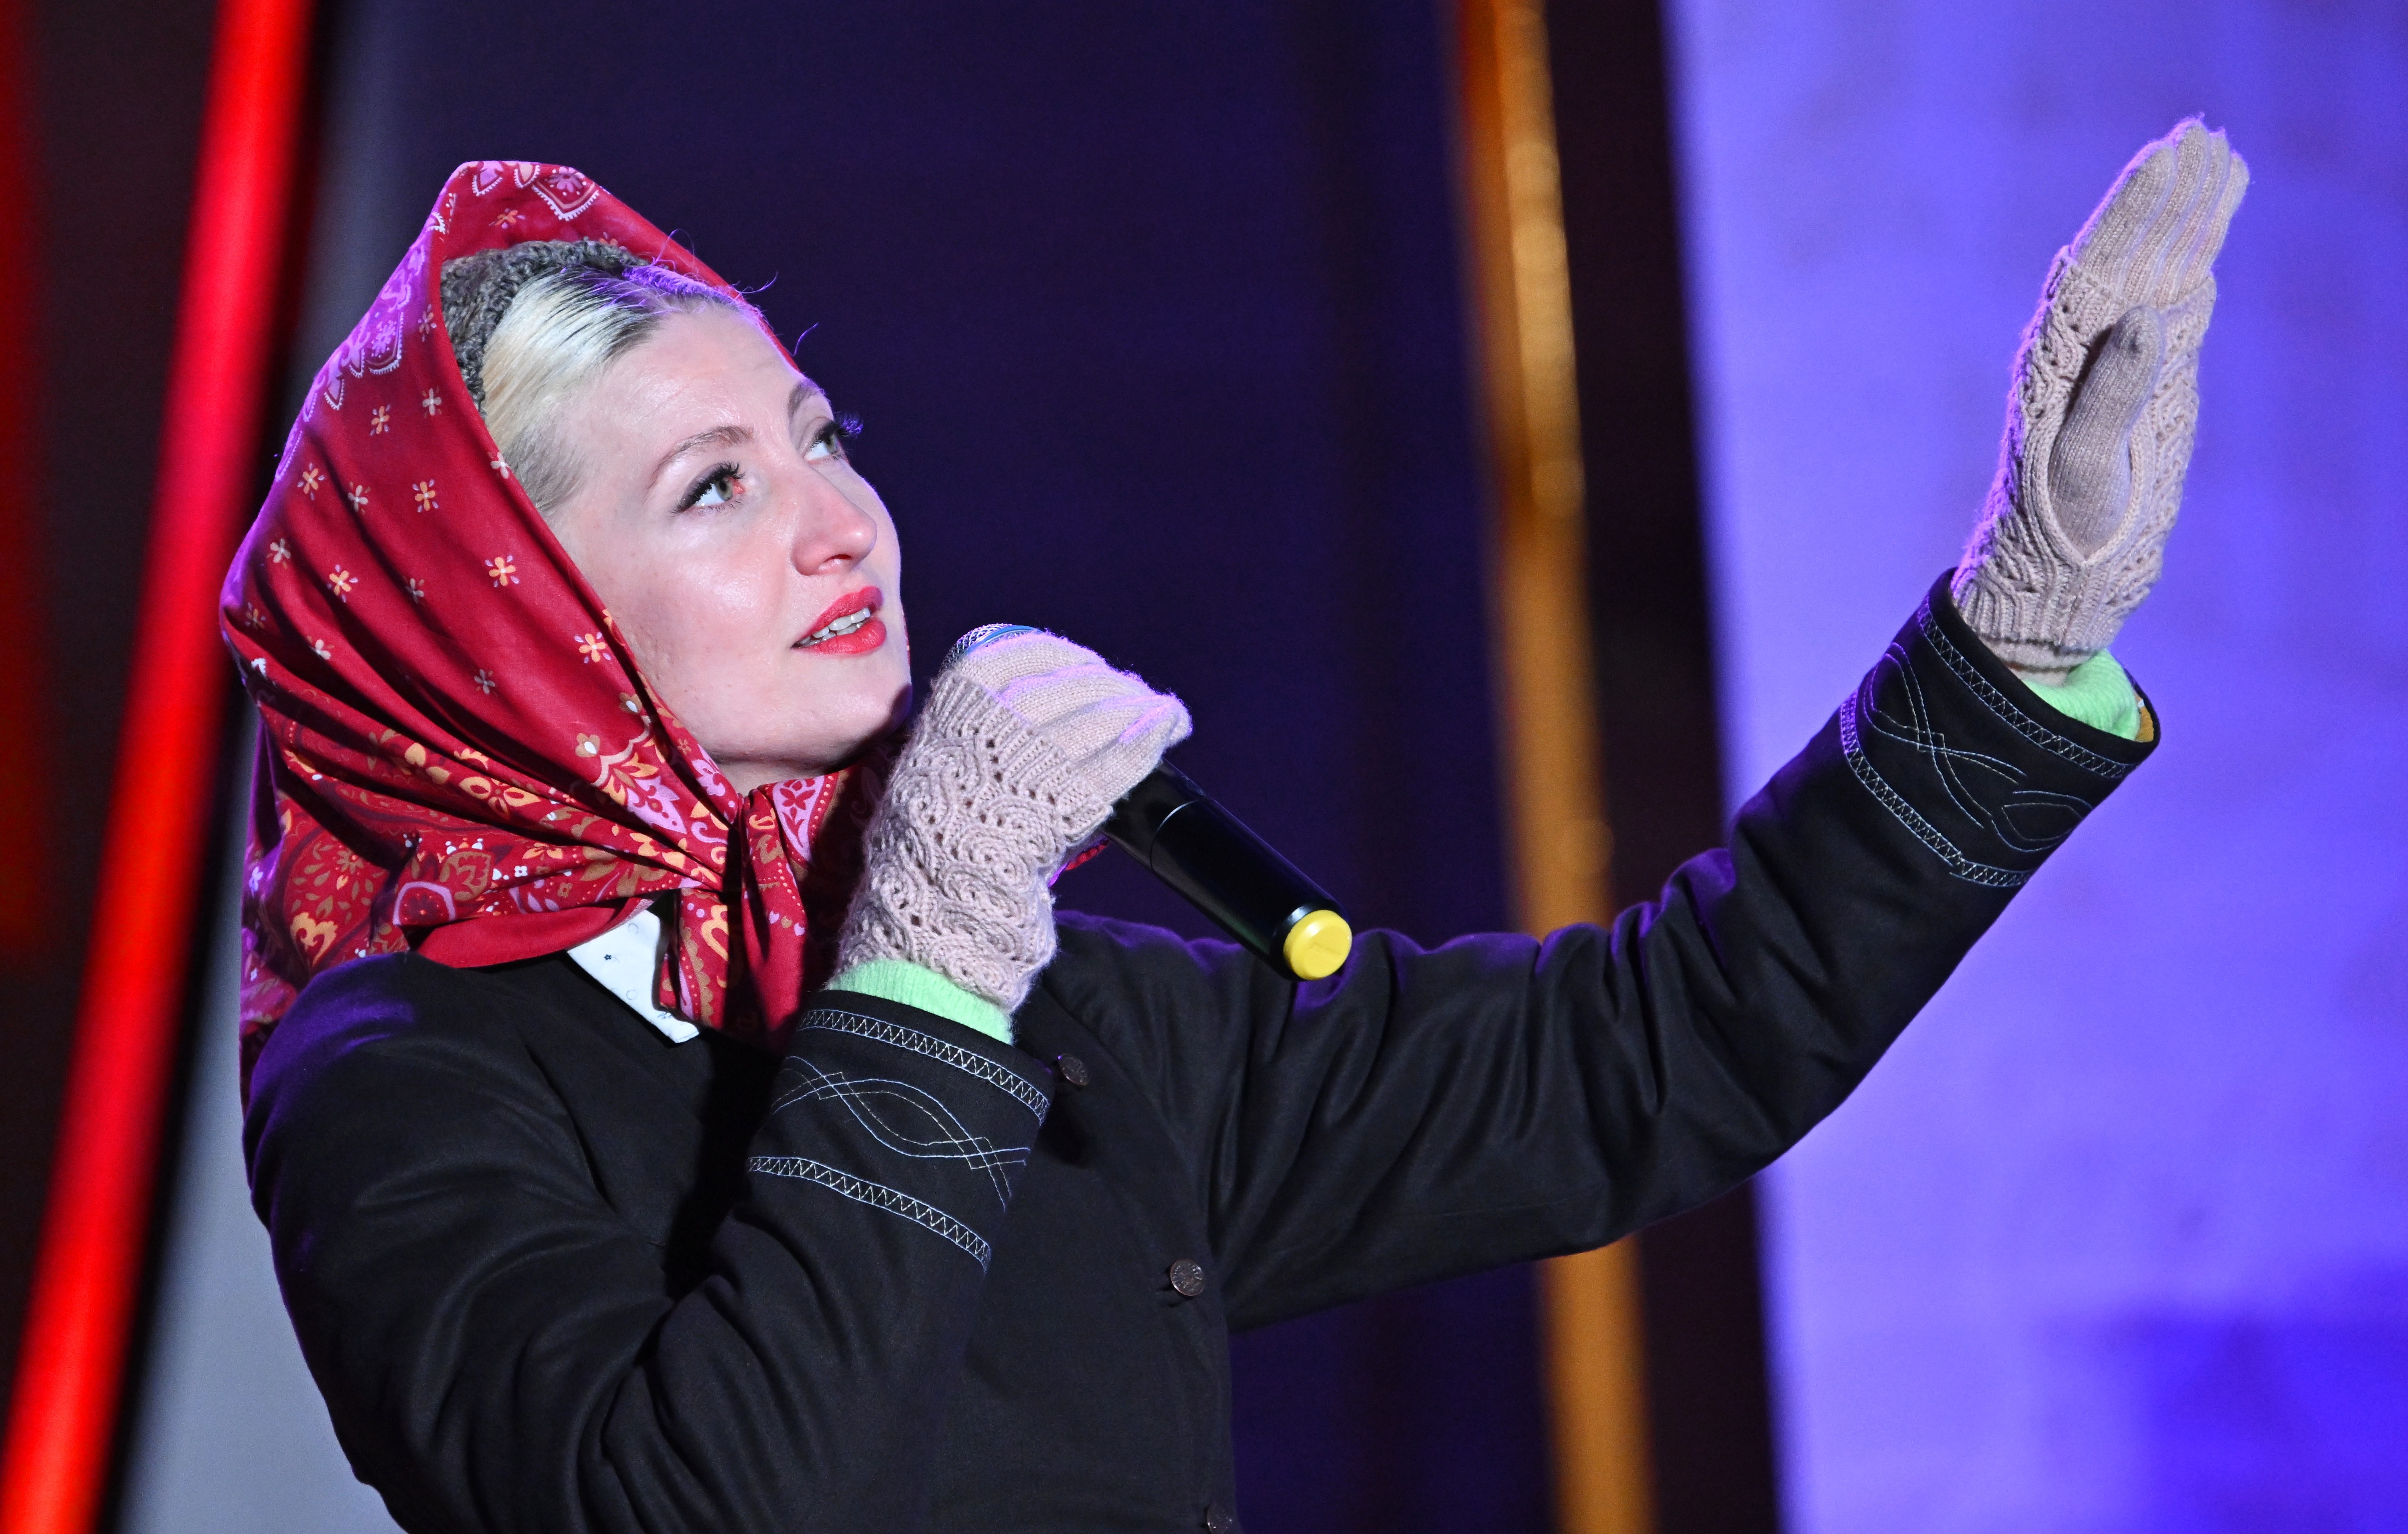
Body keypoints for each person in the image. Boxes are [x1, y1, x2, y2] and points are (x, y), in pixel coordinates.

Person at [227, 125, 2245, 1533]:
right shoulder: (404, 1072)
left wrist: (2012, 638)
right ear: (506, 620)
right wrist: (929, 951)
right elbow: (714, 1506)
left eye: (821, 437)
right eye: (712, 489)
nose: (841, 524)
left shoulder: (1058, 1013)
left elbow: (1642, 1053)